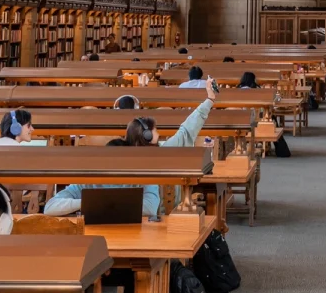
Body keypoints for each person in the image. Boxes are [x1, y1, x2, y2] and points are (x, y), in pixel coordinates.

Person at [47, 79, 217, 220]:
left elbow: (150, 207)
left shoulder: (147, 169)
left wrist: (103, 203)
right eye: (155, 130)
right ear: (147, 136)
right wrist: (92, 202)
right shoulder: (93, 177)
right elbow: (186, 132)